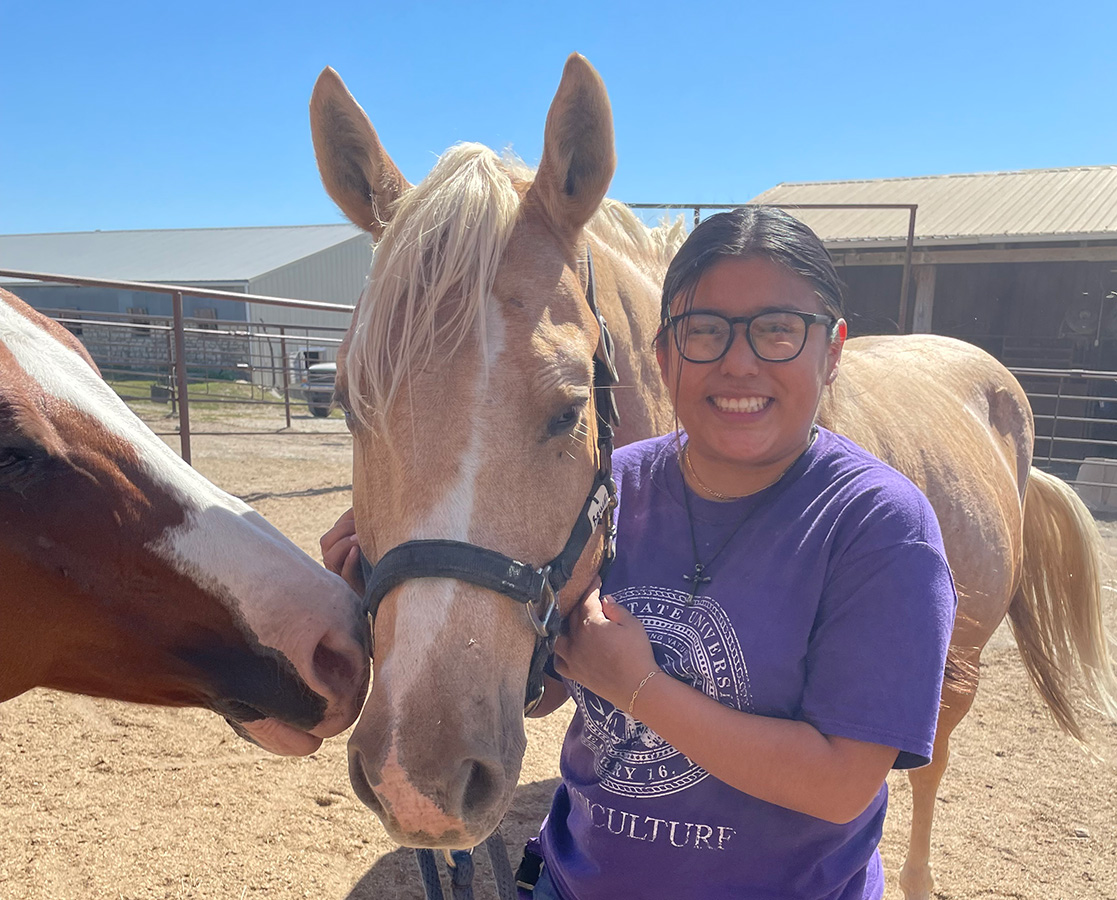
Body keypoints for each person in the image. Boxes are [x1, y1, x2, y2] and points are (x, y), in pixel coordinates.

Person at [323, 208, 957, 900]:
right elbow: (551, 683)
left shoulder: (880, 525)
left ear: (831, 350)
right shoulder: (610, 486)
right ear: (662, 357)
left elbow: (839, 785)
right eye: (705, 332)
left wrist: (643, 691)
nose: (738, 361)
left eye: (777, 330)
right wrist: (400, 595)